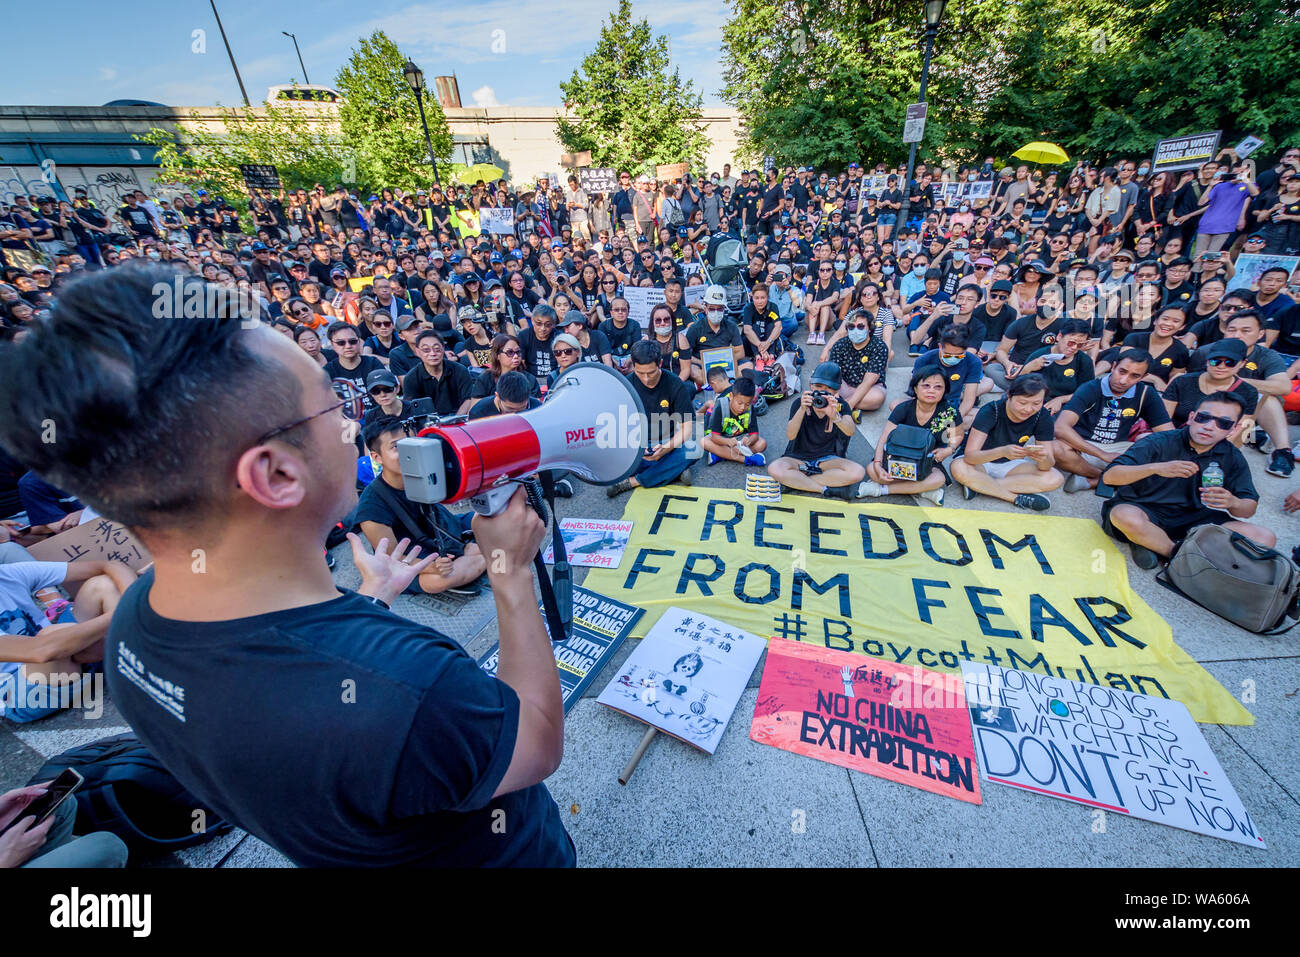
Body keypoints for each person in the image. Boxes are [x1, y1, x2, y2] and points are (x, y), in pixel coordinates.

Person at [0, 265, 576, 867]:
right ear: (275, 474)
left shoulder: (131, 633)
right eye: (331, 408)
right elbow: (536, 742)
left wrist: (370, 603)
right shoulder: (412, 688)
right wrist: (509, 574)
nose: (353, 427)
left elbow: (292, 690)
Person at [1102, 391, 1273, 569]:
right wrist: (1157, 468)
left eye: (1223, 423)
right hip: (1143, 508)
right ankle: (1178, 556)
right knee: (1123, 516)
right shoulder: (1159, 441)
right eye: (1204, 417)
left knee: (1264, 537)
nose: (1209, 426)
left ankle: (1152, 543)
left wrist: (1233, 502)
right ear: (1191, 417)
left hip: (1192, 518)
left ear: (1234, 429)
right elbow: (1110, 476)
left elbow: (1248, 509)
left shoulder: (1231, 456)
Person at [356, 416, 486, 597]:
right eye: (396, 447)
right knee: (438, 580)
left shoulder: (423, 470)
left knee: (494, 519)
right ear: (377, 457)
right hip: (415, 560)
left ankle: (480, 556)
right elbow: (391, 559)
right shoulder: (371, 506)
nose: (407, 452)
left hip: (447, 533)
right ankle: (485, 557)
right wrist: (433, 567)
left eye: (408, 444)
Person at [1053, 350, 1173, 492]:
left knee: (1165, 453)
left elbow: (1169, 435)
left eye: (1134, 376)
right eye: (1122, 371)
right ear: (1113, 366)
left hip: (1119, 449)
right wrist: (1102, 454)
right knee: (1055, 449)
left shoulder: (1146, 393)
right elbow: (1060, 427)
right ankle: (1107, 478)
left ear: (1144, 377)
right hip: (1083, 446)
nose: (1123, 380)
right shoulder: (1091, 388)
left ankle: (1095, 482)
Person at [950, 374, 1063, 510]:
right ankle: (1015, 498)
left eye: (1036, 404)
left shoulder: (1042, 416)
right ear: (1009, 395)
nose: (1028, 409)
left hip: (1010, 464)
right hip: (979, 462)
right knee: (959, 468)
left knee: (1055, 478)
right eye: (1022, 403)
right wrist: (1002, 451)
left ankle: (979, 486)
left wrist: (1044, 458)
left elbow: (1046, 466)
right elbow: (970, 456)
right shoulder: (992, 411)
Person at [860, 363, 962, 505]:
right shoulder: (904, 409)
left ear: (945, 390)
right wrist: (877, 463)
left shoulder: (948, 413)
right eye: (926, 386)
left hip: (927, 462)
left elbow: (956, 436)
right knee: (872, 470)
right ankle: (923, 490)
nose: (931, 390)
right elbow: (884, 438)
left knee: (939, 479)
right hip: (898, 457)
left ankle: (882, 490)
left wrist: (949, 449)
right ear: (915, 388)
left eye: (938, 387)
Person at [605, 341, 696, 497]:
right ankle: (672, 471)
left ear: (660, 363)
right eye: (641, 373)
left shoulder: (675, 383)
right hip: (637, 443)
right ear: (633, 365)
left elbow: (687, 428)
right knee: (609, 450)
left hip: (669, 441)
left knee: (696, 447)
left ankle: (633, 482)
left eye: (651, 372)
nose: (646, 379)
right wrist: (638, 448)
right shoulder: (626, 385)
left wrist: (667, 447)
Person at [766, 362, 865, 499]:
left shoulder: (841, 405)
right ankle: (825, 489)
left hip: (827, 460)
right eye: (818, 386)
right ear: (811, 385)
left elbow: (850, 431)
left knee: (857, 472)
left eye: (829, 388)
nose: (822, 392)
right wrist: (801, 410)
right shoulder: (800, 403)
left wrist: (835, 416)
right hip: (798, 458)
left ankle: (796, 482)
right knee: (774, 468)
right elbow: (790, 434)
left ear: (837, 390)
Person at [1018, 319, 1095, 414]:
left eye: (1080, 345)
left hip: (1069, 406)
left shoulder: (1084, 361)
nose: (1074, 348)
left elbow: (1087, 391)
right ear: (1059, 336)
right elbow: (1019, 386)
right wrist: (1028, 368)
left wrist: (1061, 399)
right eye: (1071, 342)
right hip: (1038, 405)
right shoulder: (1039, 356)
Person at [826, 307, 888, 411]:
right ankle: (844, 405)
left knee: (877, 398)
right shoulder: (840, 345)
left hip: (869, 388)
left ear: (870, 329)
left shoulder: (879, 346)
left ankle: (839, 405)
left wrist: (849, 405)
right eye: (851, 327)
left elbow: (868, 381)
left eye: (860, 327)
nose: (855, 330)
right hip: (845, 386)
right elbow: (834, 374)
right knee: (822, 382)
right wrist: (835, 392)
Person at [402, 329, 476, 416]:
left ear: (443, 349)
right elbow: (412, 408)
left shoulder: (460, 370)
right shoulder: (411, 378)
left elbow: (468, 399)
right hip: (428, 422)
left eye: (437, 349)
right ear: (418, 352)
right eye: (426, 350)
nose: (433, 353)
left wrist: (456, 420)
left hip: (458, 419)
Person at [700, 376, 767, 466]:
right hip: (722, 440)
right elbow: (715, 437)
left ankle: (721, 454)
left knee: (762, 444)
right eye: (739, 403)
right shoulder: (720, 406)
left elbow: (754, 434)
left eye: (747, 404)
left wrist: (749, 440)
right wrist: (727, 442)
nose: (743, 407)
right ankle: (745, 459)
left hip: (740, 441)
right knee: (704, 442)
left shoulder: (750, 409)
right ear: (731, 396)